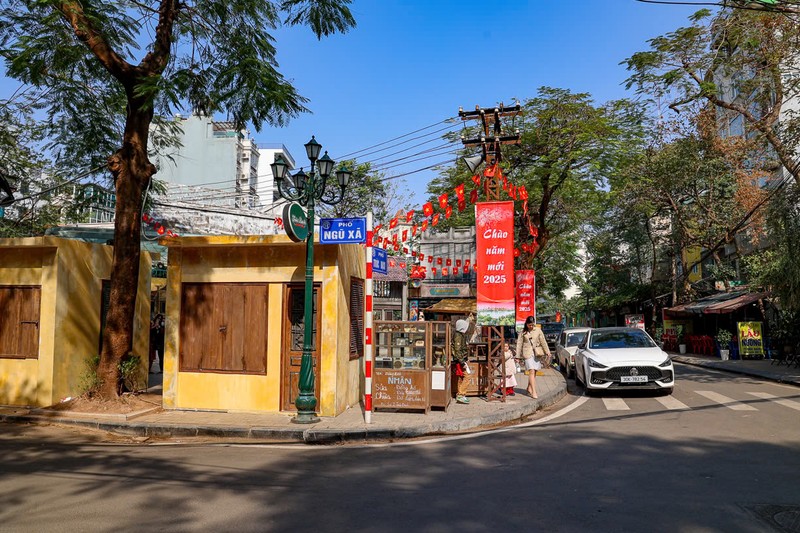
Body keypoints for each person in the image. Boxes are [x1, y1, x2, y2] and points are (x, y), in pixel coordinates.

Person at [516, 316, 550, 398]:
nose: (531, 326)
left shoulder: (538, 331)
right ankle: (534, 392)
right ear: (526, 324)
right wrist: (517, 356)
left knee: (534, 372)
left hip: (536, 353)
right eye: (529, 325)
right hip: (527, 354)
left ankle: (529, 388)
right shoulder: (523, 332)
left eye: (532, 324)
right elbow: (519, 344)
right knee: (531, 371)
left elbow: (543, 342)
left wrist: (547, 352)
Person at [452, 318, 470, 404]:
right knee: (467, 376)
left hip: (459, 359)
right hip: (460, 360)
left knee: (461, 377)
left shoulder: (459, 335)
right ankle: (461, 394)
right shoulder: (458, 336)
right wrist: (462, 362)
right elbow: (457, 350)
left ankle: (459, 394)